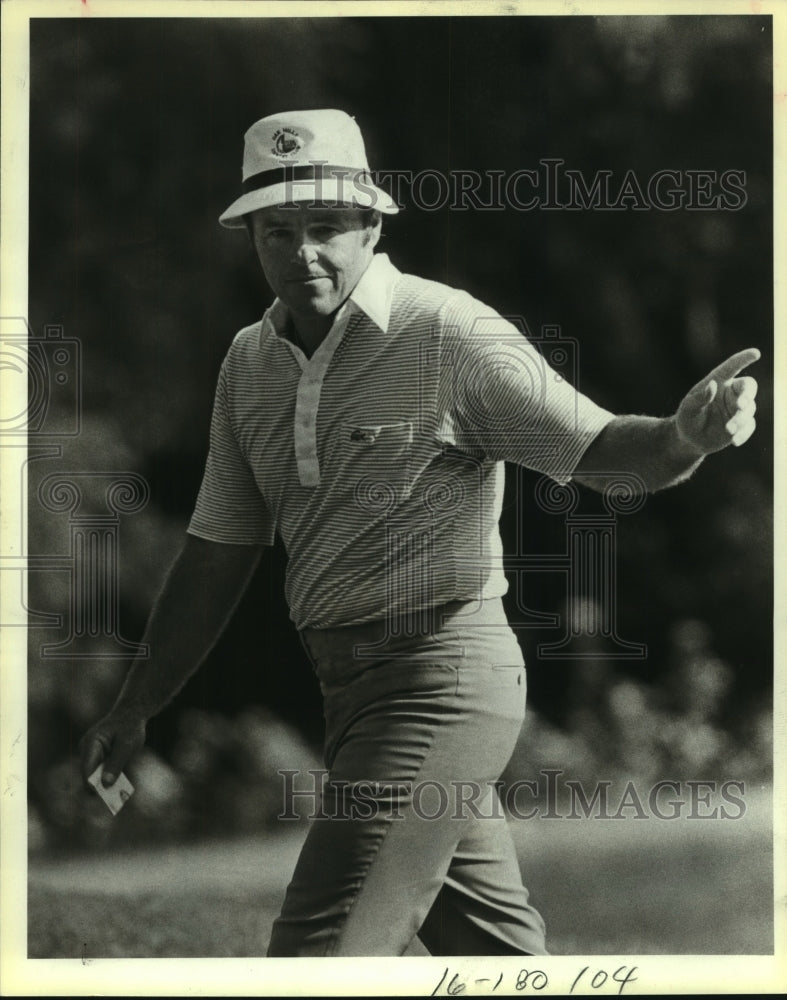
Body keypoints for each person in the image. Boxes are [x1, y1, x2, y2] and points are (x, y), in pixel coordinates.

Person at [79, 109, 760, 957]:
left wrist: (682, 438)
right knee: (497, 961)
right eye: (277, 230)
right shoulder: (246, 365)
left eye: (325, 226)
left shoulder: (448, 331)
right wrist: (137, 703)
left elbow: (597, 452)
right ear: (250, 236)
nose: (303, 253)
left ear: (371, 222)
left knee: (320, 955)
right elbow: (219, 546)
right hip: (351, 698)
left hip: (443, 678)